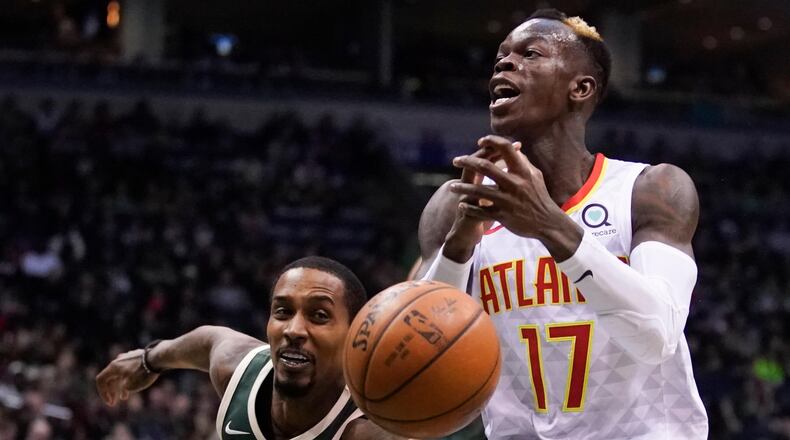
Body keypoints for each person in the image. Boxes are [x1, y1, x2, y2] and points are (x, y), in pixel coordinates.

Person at [420, 9, 708, 439]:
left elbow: (657, 337)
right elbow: (429, 353)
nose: (505, 63)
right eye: (501, 57)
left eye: (530, 53)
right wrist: (458, 249)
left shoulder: (650, 189)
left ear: (580, 88)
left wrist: (551, 226)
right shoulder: (455, 204)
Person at [97, 256, 402, 440]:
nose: (294, 330)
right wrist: (148, 359)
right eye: (282, 311)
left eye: (319, 315)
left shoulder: (367, 430)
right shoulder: (238, 370)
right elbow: (209, 340)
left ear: (354, 335)